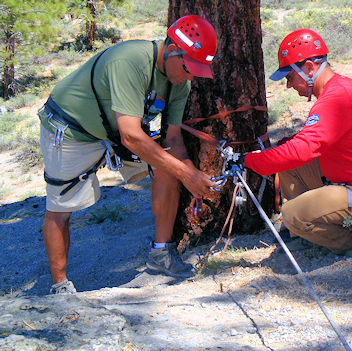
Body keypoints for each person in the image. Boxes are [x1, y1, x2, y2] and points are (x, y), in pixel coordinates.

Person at [38, 15, 218, 294]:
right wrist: (186, 173)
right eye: (188, 67)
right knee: (60, 208)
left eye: (196, 70)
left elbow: (172, 138)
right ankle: (60, 286)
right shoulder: (130, 60)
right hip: (71, 128)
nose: (191, 76)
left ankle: (162, 254)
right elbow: (131, 135)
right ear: (171, 49)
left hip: (116, 132)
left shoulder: (180, 81)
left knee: (168, 168)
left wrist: (188, 175)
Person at [234, 29, 352, 256]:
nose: (289, 85)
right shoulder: (338, 89)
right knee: (290, 165)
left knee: (292, 212)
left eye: (289, 77)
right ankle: (303, 231)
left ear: (309, 68)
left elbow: (299, 151)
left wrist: (248, 160)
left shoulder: (335, 98)